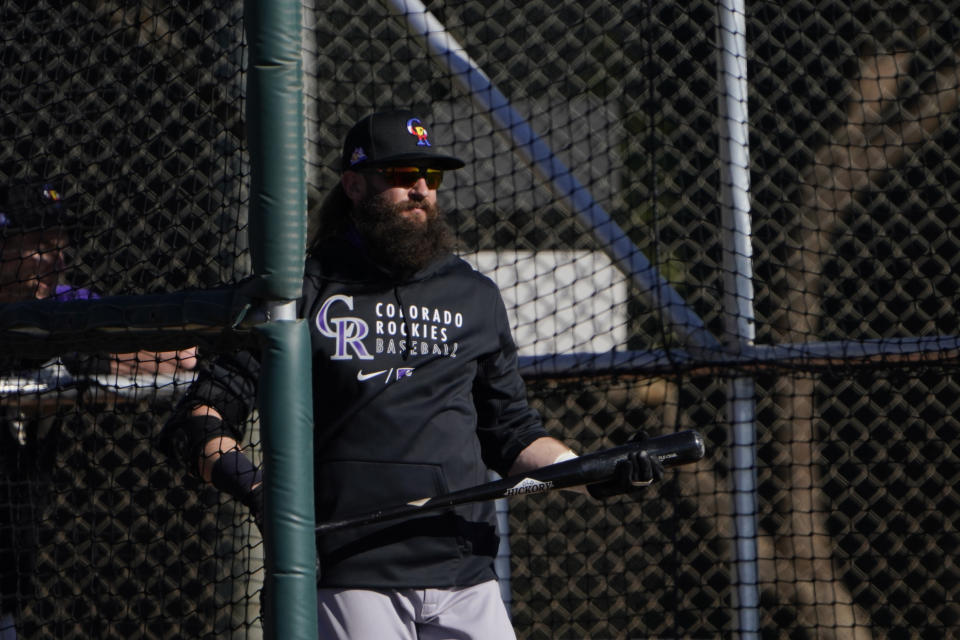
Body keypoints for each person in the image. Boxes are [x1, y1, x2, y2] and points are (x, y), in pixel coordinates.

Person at [161, 109, 663, 639]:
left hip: (466, 572)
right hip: (349, 576)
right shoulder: (299, 293)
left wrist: (592, 474)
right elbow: (197, 420)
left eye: (431, 177)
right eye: (401, 176)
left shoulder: (474, 295)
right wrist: (262, 490)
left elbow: (512, 434)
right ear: (354, 185)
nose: (421, 189)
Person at [0, 179, 197, 638]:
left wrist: (80, 356)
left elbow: (180, 355)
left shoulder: (65, 306)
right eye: (43, 245)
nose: (59, 259)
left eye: (62, 244)